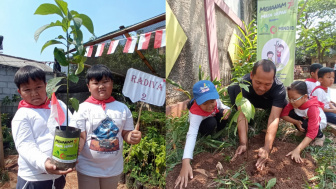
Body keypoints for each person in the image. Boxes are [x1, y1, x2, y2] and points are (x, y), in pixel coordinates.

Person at [71, 64, 141, 189]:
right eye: (96, 83)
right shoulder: (81, 108)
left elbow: (125, 134)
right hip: (88, 168)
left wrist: (132, 136)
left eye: (105, 82)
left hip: (113, 169)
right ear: (88, 86)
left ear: (112, 84)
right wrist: (75, 149)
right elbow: (81, 136)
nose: (101, 86)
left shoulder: (122, 108)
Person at [12, 65, 73, 189]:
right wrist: (45, 163)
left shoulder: (58, 105)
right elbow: (25, 145)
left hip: (58, 175)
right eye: (27, 90)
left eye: (38, 87)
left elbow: (72, 127)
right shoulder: (23, 114)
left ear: (46, 86)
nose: (34, 93)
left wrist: (75, 149)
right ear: (20, 92)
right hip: (34, 178)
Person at [228, 59, 287, 170]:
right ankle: (251, 120)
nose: (262, 87)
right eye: (258, 82)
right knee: (232, 89)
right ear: (251, 75)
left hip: (267, 102)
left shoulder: (279, 89)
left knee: (284, 104)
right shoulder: (242, 84)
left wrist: (266, 148)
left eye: (267, 84)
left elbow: (274, 118)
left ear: (273, 79)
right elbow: (242, 114)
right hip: (250, 101)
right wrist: (243, 143)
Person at [174, 80, 230, 189]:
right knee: (211, 123)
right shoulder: (195, 113)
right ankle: (207, 134)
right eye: (205, 103)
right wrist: (186, 162)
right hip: (203, 124)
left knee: (222, 114)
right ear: (198, 102)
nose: (210, 106)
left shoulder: (215, 101)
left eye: (212, 101)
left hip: (212, 117)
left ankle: (218, 134)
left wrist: (227, 111)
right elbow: (191, 135)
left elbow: (224, 106)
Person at [281, 81, 326, 163]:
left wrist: (297, 150)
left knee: (307, 125)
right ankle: (303, 130)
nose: (291, 101)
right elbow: (283, 114)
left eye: (294, 99)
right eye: (289, 98)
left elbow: (312, 131)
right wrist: (296, 122)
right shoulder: (293, 102)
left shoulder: (312, 108)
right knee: (291, 114)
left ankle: (320, 136)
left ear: (304, 97)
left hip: (319, 122)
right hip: (305, 119)